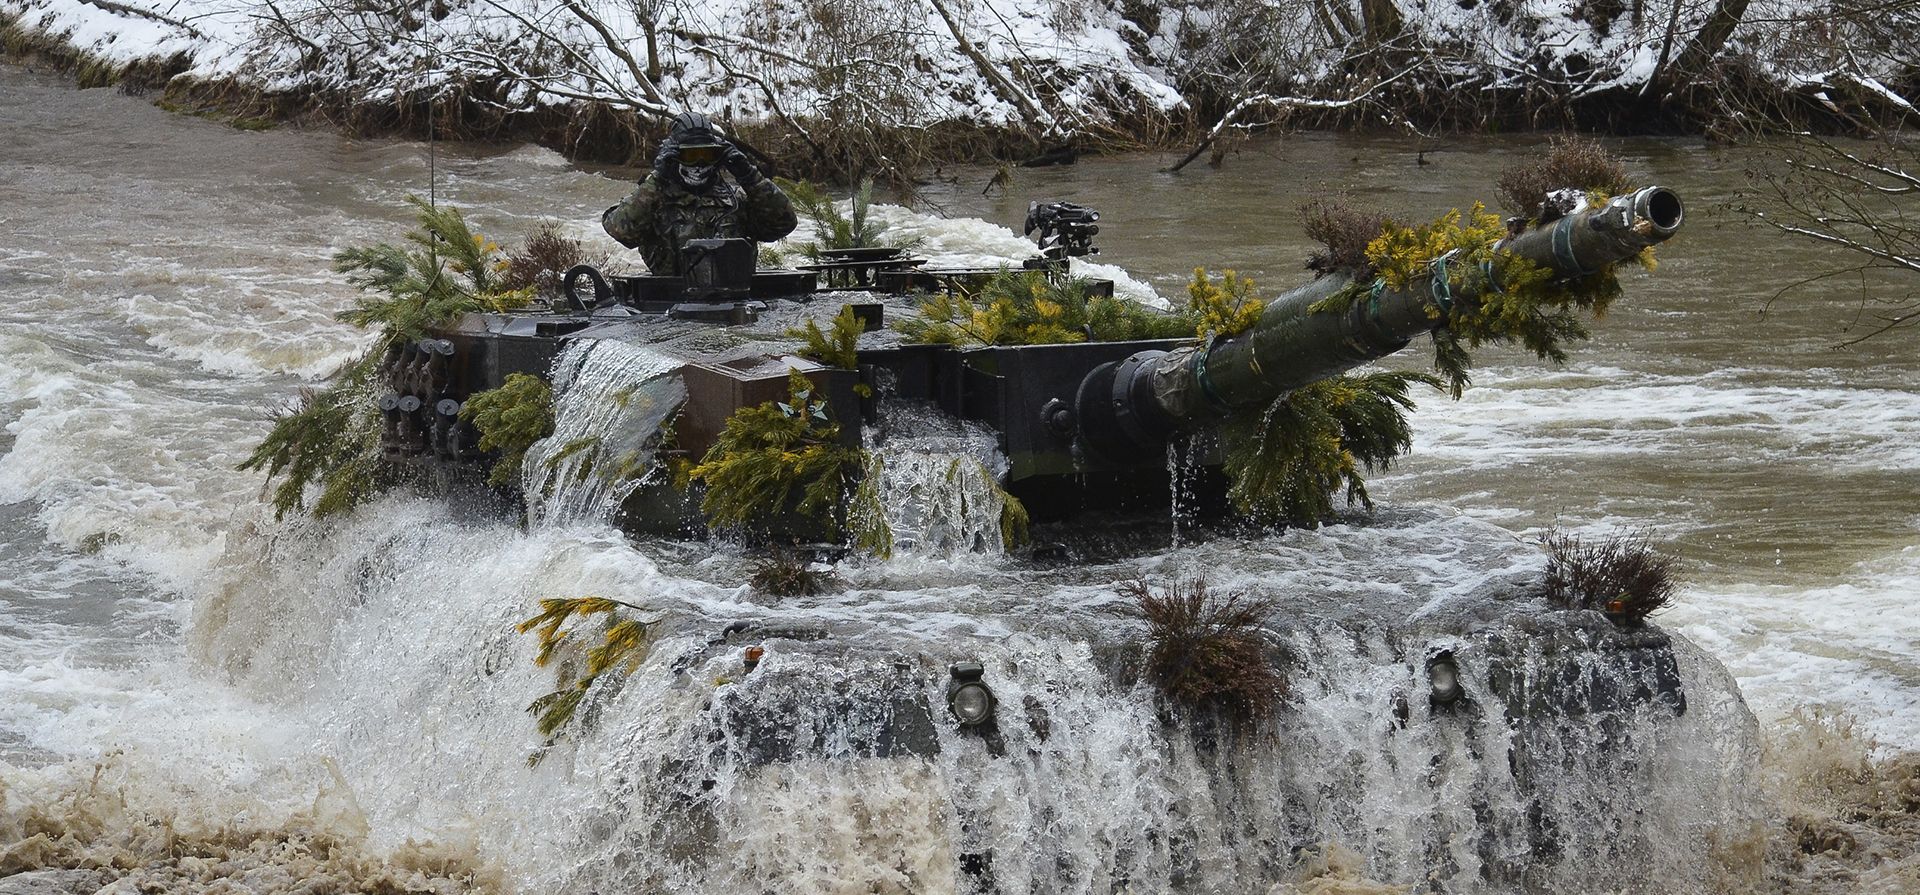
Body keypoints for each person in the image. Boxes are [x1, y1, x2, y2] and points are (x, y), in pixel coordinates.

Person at [602, 112, 797, 275]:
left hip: (734, 300)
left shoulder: (736, 201)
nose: (699, 164)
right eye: (691, 156)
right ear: (676, 157)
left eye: (707, 155)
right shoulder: (654, 200)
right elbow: (621, 230)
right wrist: (658, 177)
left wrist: (749, 175)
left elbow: (783, 224)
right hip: (670, 302)